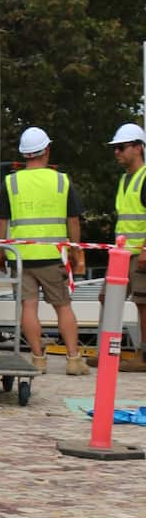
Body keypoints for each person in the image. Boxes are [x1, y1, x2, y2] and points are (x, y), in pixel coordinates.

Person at [0, 126, 86, 374]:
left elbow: (1, 221)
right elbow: (73, 220)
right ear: (46, 150)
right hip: (52, 255)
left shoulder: (11, 182)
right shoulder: (61, 180)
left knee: (29, 307)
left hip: (22, 257)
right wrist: (76, 252)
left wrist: (0, 253)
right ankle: (74, 359)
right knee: (63, 306)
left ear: (25, 154)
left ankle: (38, 359)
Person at [109, 122, 146, 350]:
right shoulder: (124, 180)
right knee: (108, 298)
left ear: (138, 148)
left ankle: (144, 355)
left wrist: (145, 250)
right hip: (122, 254)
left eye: (121, 147)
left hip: (139, 255)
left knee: (143, 304)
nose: (116, 152)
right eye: (115, 148)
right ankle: (108, 351)